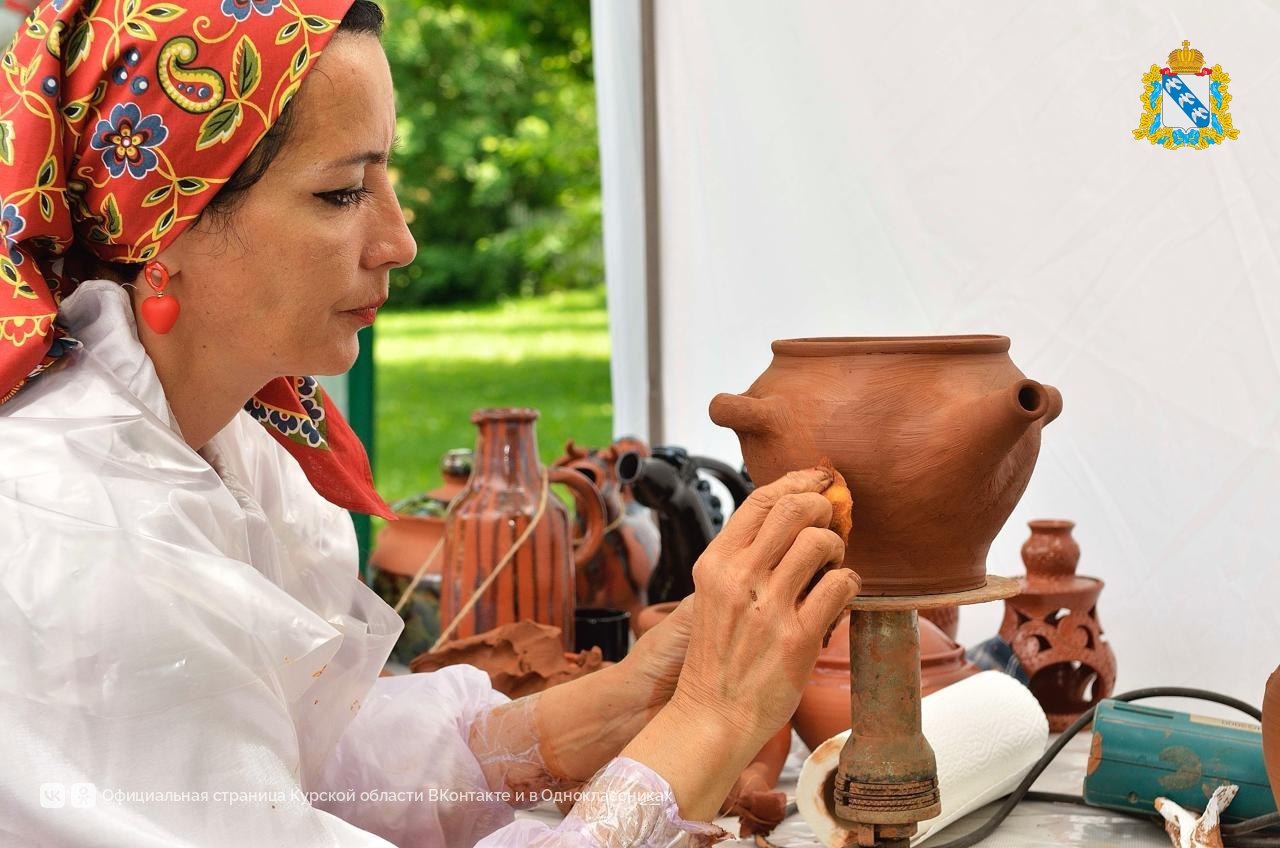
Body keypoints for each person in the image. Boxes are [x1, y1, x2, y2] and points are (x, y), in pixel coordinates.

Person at [0, 0, 861, 844]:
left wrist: (637, 695)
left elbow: (304, 760)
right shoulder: (84, 536)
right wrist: (710, 720)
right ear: (169, 227)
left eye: (386, 181)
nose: (401, 242)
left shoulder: (213, 438)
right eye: (342, 193)